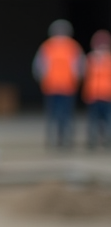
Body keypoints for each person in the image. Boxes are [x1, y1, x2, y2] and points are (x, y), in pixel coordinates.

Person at [33, 20, 85, 149]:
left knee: (57, 115)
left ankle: (59, 140)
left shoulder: (52, 46)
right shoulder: (69, 46)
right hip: (61, 87)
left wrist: (43, 80)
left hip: (58, 87)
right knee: (61, 115)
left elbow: (39, 67)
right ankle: (60, 141)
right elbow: (80, 68)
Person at [84, 30, 111, 149]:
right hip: (93, 94)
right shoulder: (89, 59)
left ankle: (107, 139)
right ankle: (92, 140)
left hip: (107, 94)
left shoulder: (109, 59)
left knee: (107, 120)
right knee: (93, 120)